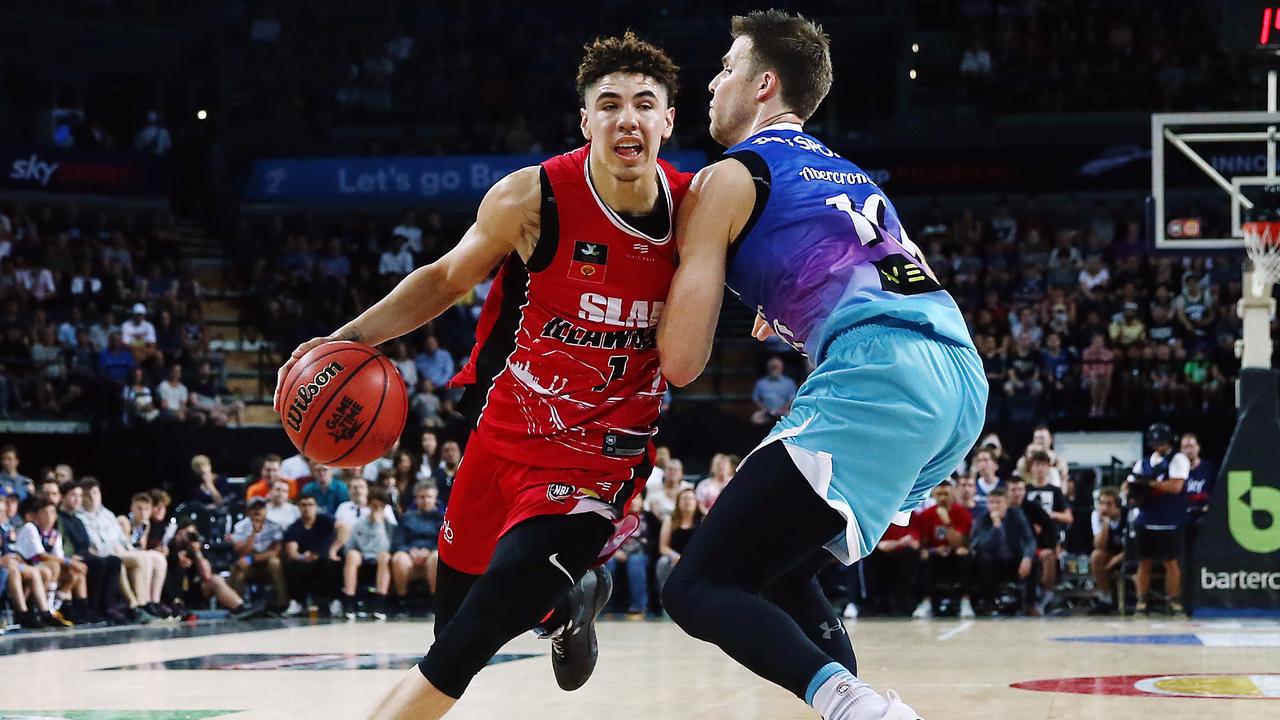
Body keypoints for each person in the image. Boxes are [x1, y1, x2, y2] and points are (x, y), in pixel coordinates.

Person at [276, 32, 691, 718]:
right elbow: (444, 279)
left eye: (645, 104)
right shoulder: (532, 197)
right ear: (585, 121)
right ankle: (564, 606)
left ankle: (551, 592)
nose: (627, 118)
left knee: (462, 646)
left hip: (598, 458)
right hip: (505, 433)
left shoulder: (697, 209)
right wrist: (344, 339)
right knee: (456, 618)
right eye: (609, 104)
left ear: (668, 120)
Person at [657, 12, 986, 719]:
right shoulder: (844, 169)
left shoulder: (729, 177)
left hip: (880, 375)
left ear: (764, 84)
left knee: (697, 586)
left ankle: (859, 708)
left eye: (726, 68)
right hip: (957, 378)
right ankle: (855, 706)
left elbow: (683, 362)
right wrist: (785, 306)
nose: (713, 83)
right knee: (779, 575)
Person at [1126, 422, 1189, 615]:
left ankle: (1174, 601)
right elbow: (1130, 486)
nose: (1158, 447)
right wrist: (1133, 491)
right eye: (1155, 443)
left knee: (1171, 563)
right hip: (1146, 519)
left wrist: (1149, 484)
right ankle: (1141, 601)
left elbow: (1176, 486)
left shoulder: (1178, 459)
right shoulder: (1143, 462)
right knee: (1143, 562)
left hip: (1169, 520)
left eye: (1162, 443)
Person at [910, 481, 974, 619]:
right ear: (933, 494)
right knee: (923, 557)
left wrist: (946, 522)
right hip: (935, 556)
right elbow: (922, 544)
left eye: (946, 494)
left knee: (964, 555)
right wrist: (932, 551)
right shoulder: (926, 515)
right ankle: (925, 602)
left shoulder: (962, 513)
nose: (943, 498)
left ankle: (965, 601)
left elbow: (961, 543)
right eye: (939, 494)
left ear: (953, 494)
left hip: (954, 555)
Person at [969, 488, 1034, 615]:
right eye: (991, 502)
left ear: (1006, 504)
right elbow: (983, 546)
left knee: (1033, 561)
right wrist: (996, 527)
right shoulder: (982, 519)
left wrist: (1027, 557)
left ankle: (1031, 604)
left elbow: (1029, 539)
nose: (994, 506)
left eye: (998, 502)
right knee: (984, 559)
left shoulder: (1017, 515)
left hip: (1014, 559)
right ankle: (989, 603)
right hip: (994, 561)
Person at [283, 492, 342, 617]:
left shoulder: (325, 520)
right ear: (298, 507)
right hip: (305, 560)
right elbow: (292, 551)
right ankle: (297, 602)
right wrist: (302, 557)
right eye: (303, 505)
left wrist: (334, 549)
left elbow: (344, 529)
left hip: (325, 558)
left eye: (310, 504)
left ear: (316, 507)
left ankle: (335, 602)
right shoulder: (294, 527)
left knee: (333, 562)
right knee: (293, 564)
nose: (306, 508)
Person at [391, 482, 445, 614]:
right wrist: (410, 551)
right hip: (410, 555)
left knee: (437, 557)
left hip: (432, 555)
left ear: (435, 499)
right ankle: (401, 601)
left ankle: (435, 602)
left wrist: (429, 550)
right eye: (421, 497)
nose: (425, 500)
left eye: (429, 497)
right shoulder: (407, 518)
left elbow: (446, 541)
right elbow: (397, 542)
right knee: (399, 558)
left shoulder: (443, 518)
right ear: (416, 499)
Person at [227, 497, 289, 612]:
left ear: (265, 510)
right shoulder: (240, 526)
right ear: (248, 511)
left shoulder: (275, 526)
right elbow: (240, 552)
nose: (257, 511)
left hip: (266, 563)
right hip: (250, 567)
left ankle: (283, 602)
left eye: (260, 508)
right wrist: (253, 534)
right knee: (238, 569)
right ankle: (237, 606)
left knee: (275, 562)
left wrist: (253, 558)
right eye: (253, 508)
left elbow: (276, 550)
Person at [341, 487, 393, 620]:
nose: (376, 509)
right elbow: (349, 546)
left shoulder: (388, 524)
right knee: (352, 555)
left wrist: (379, 524)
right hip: (363, 556)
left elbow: (387, 547)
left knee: (384, 557)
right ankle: (349, 602)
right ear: (369, 505)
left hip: (381, 557)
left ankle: (379, 605)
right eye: (373, 505)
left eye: (379, 506)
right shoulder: (359, 523)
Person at [655, 488, 702, 596]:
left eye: (691, 498)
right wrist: (675, 556)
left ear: (696, 502)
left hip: (695, 557)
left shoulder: (703, 519)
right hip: (674, 558)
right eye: (684, 499)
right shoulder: (669, 520)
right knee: (663, 562)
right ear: (678, 502)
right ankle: (665, 599)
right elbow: (663, 547)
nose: (687, 501)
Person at [1089, 486, 1126, 611]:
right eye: (1101, 503)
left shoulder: (1129, 514)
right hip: (1111, 552)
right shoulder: (1096, 515)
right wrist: (1105, 523)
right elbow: (1099, 545)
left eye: (1109, 504)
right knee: (1097, 556)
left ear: (1117, 505)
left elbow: (1135, 545)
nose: (1104, 507)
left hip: (1129, 552)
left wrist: (1115, 561)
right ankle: (1105, 598)